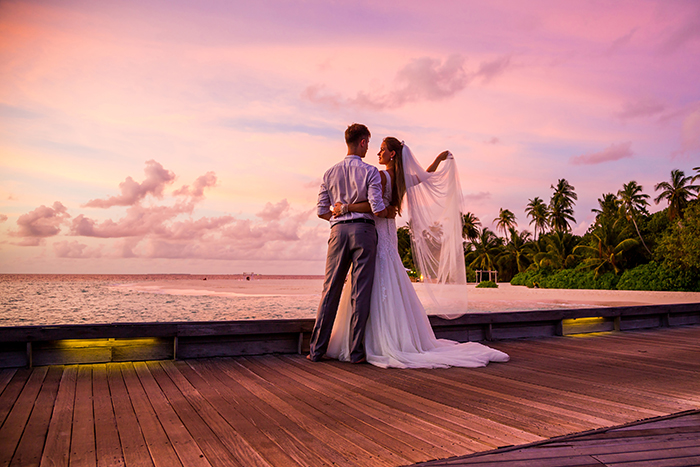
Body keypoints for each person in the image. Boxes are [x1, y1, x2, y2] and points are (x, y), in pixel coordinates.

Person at [325, 137, 509, 368]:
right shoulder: (403, 179)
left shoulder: (380, 176)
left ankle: (369, 341)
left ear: (392, 154)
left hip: (376, 232)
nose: (378, 154)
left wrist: (345, 207)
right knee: (391, 279)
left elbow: (374, 207)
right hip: (389, 235)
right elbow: (427, 176)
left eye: (382, 150)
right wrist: (438, 160)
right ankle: (398, 337)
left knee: (367, 284)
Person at [308, 124, 392, 363]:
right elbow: (377, 208)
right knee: (360, 292)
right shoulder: (370, 171)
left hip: (337, 232)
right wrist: (390, 210)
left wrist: (338, 216)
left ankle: (316, 350)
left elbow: (321, 211)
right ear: (363, 142)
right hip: (364, 231)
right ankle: (356, 353)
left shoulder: (330, 173)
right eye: (369, 143)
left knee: (330, 289)